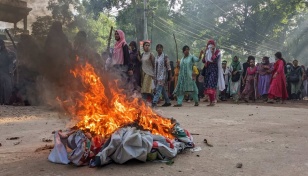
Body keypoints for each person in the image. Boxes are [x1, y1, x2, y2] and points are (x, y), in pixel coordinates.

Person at [202, 40, 225, 106]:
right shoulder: (207, 52)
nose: (210, 46)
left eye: (211, 44)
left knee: (211, 84)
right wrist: (204, 54)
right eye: (209, 44)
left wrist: (212, 52)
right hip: (207, 70)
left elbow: (214, 59)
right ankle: (211, 101)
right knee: (207, 85)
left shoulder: (217, 52)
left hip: (214, 70)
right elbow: (203, 61)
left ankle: (213, 100)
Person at [0, 39, 15, 105]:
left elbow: (12, 60)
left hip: (6, 71)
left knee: (7, 86)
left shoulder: (8, 52)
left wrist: (10, 69)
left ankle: (7, 101)